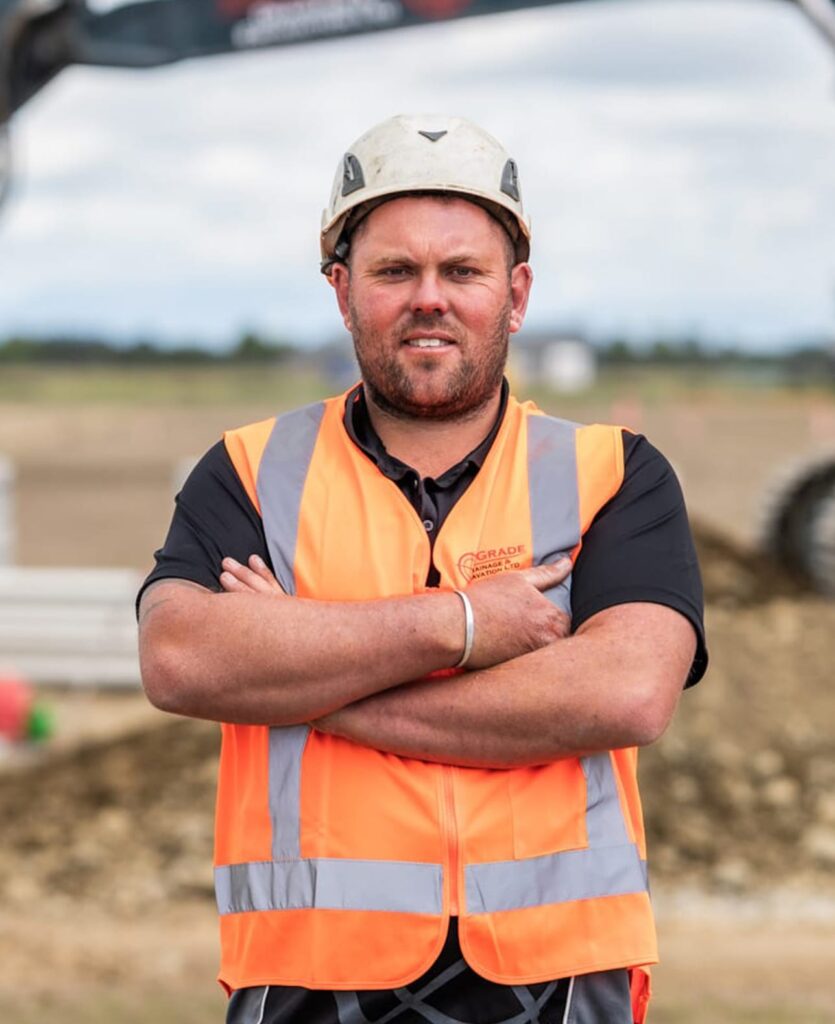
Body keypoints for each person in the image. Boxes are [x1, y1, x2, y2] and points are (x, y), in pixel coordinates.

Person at [137, 114, 707, 1024]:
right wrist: (467, 626)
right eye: (394, 271)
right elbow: (182, 660)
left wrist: (304, 675)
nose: (428, 298)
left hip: (555, 975)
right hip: (307, 973)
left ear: (515, 294)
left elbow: (626, 694)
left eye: (463, 272)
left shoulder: (614, 473)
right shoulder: (249, 470)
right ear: (341, 290)